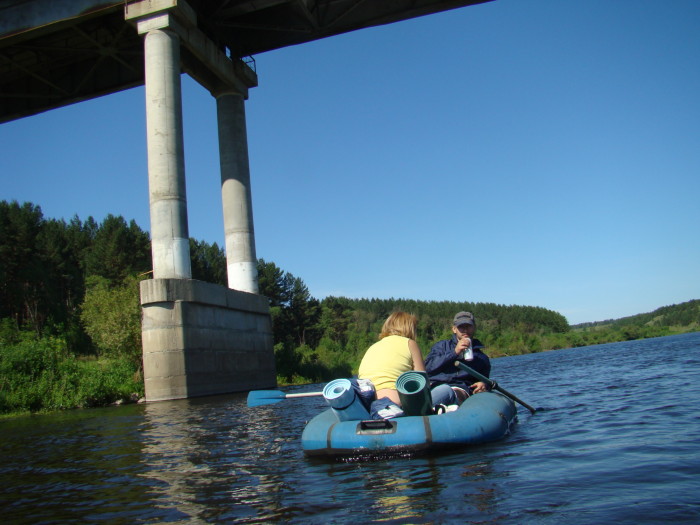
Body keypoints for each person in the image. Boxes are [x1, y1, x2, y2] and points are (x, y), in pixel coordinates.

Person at [358, 311, 459, 418]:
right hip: (396, 405)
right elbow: (422, 384)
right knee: (447, 390)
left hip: (368, 407)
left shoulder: (373, 347)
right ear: (409, 328)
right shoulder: (410, 343)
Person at [425, 311, 491, 404]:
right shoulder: (441, 346)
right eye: (461, 327)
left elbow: (486, 380)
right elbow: (428, 368)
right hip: (436, 387)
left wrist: (484, 385)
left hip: (461, 390)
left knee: (449, 392)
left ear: (474, 328)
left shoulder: (481, 357)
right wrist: (454, 352)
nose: (465, 330)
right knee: (444, 391)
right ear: (454, 329)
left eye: (468, 326)